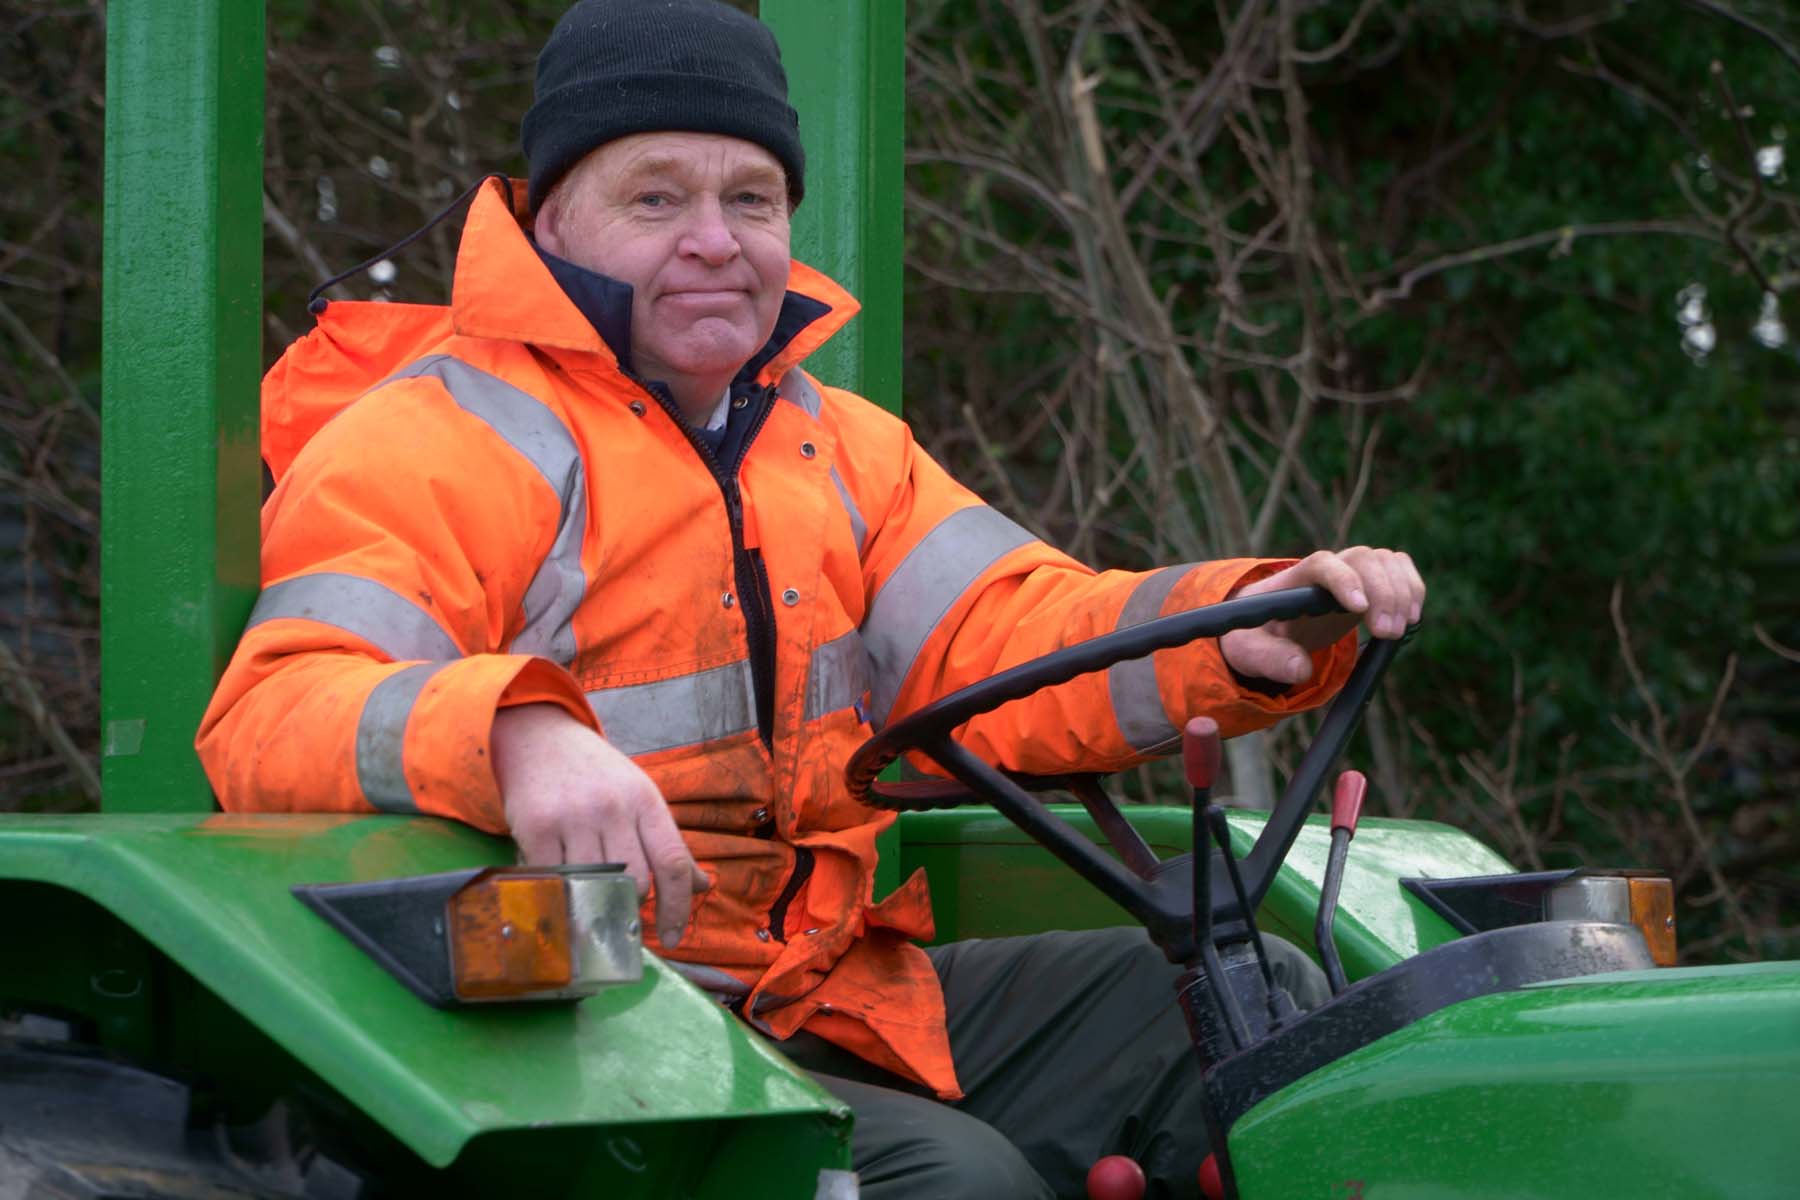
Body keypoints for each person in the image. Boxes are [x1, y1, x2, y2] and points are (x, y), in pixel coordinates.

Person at [198, 1, 1424, 1194]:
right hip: (575, 1009)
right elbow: (279, 706)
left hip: (826, 983)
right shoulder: (433, 440)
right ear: (551, 217)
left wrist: (1246, 622)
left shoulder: (841, 450)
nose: (715, 238)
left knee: (1264, 1012)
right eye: (657, 197)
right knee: (955, 1178)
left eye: (751, 199)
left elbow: (1006, 638)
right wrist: (515, 735)